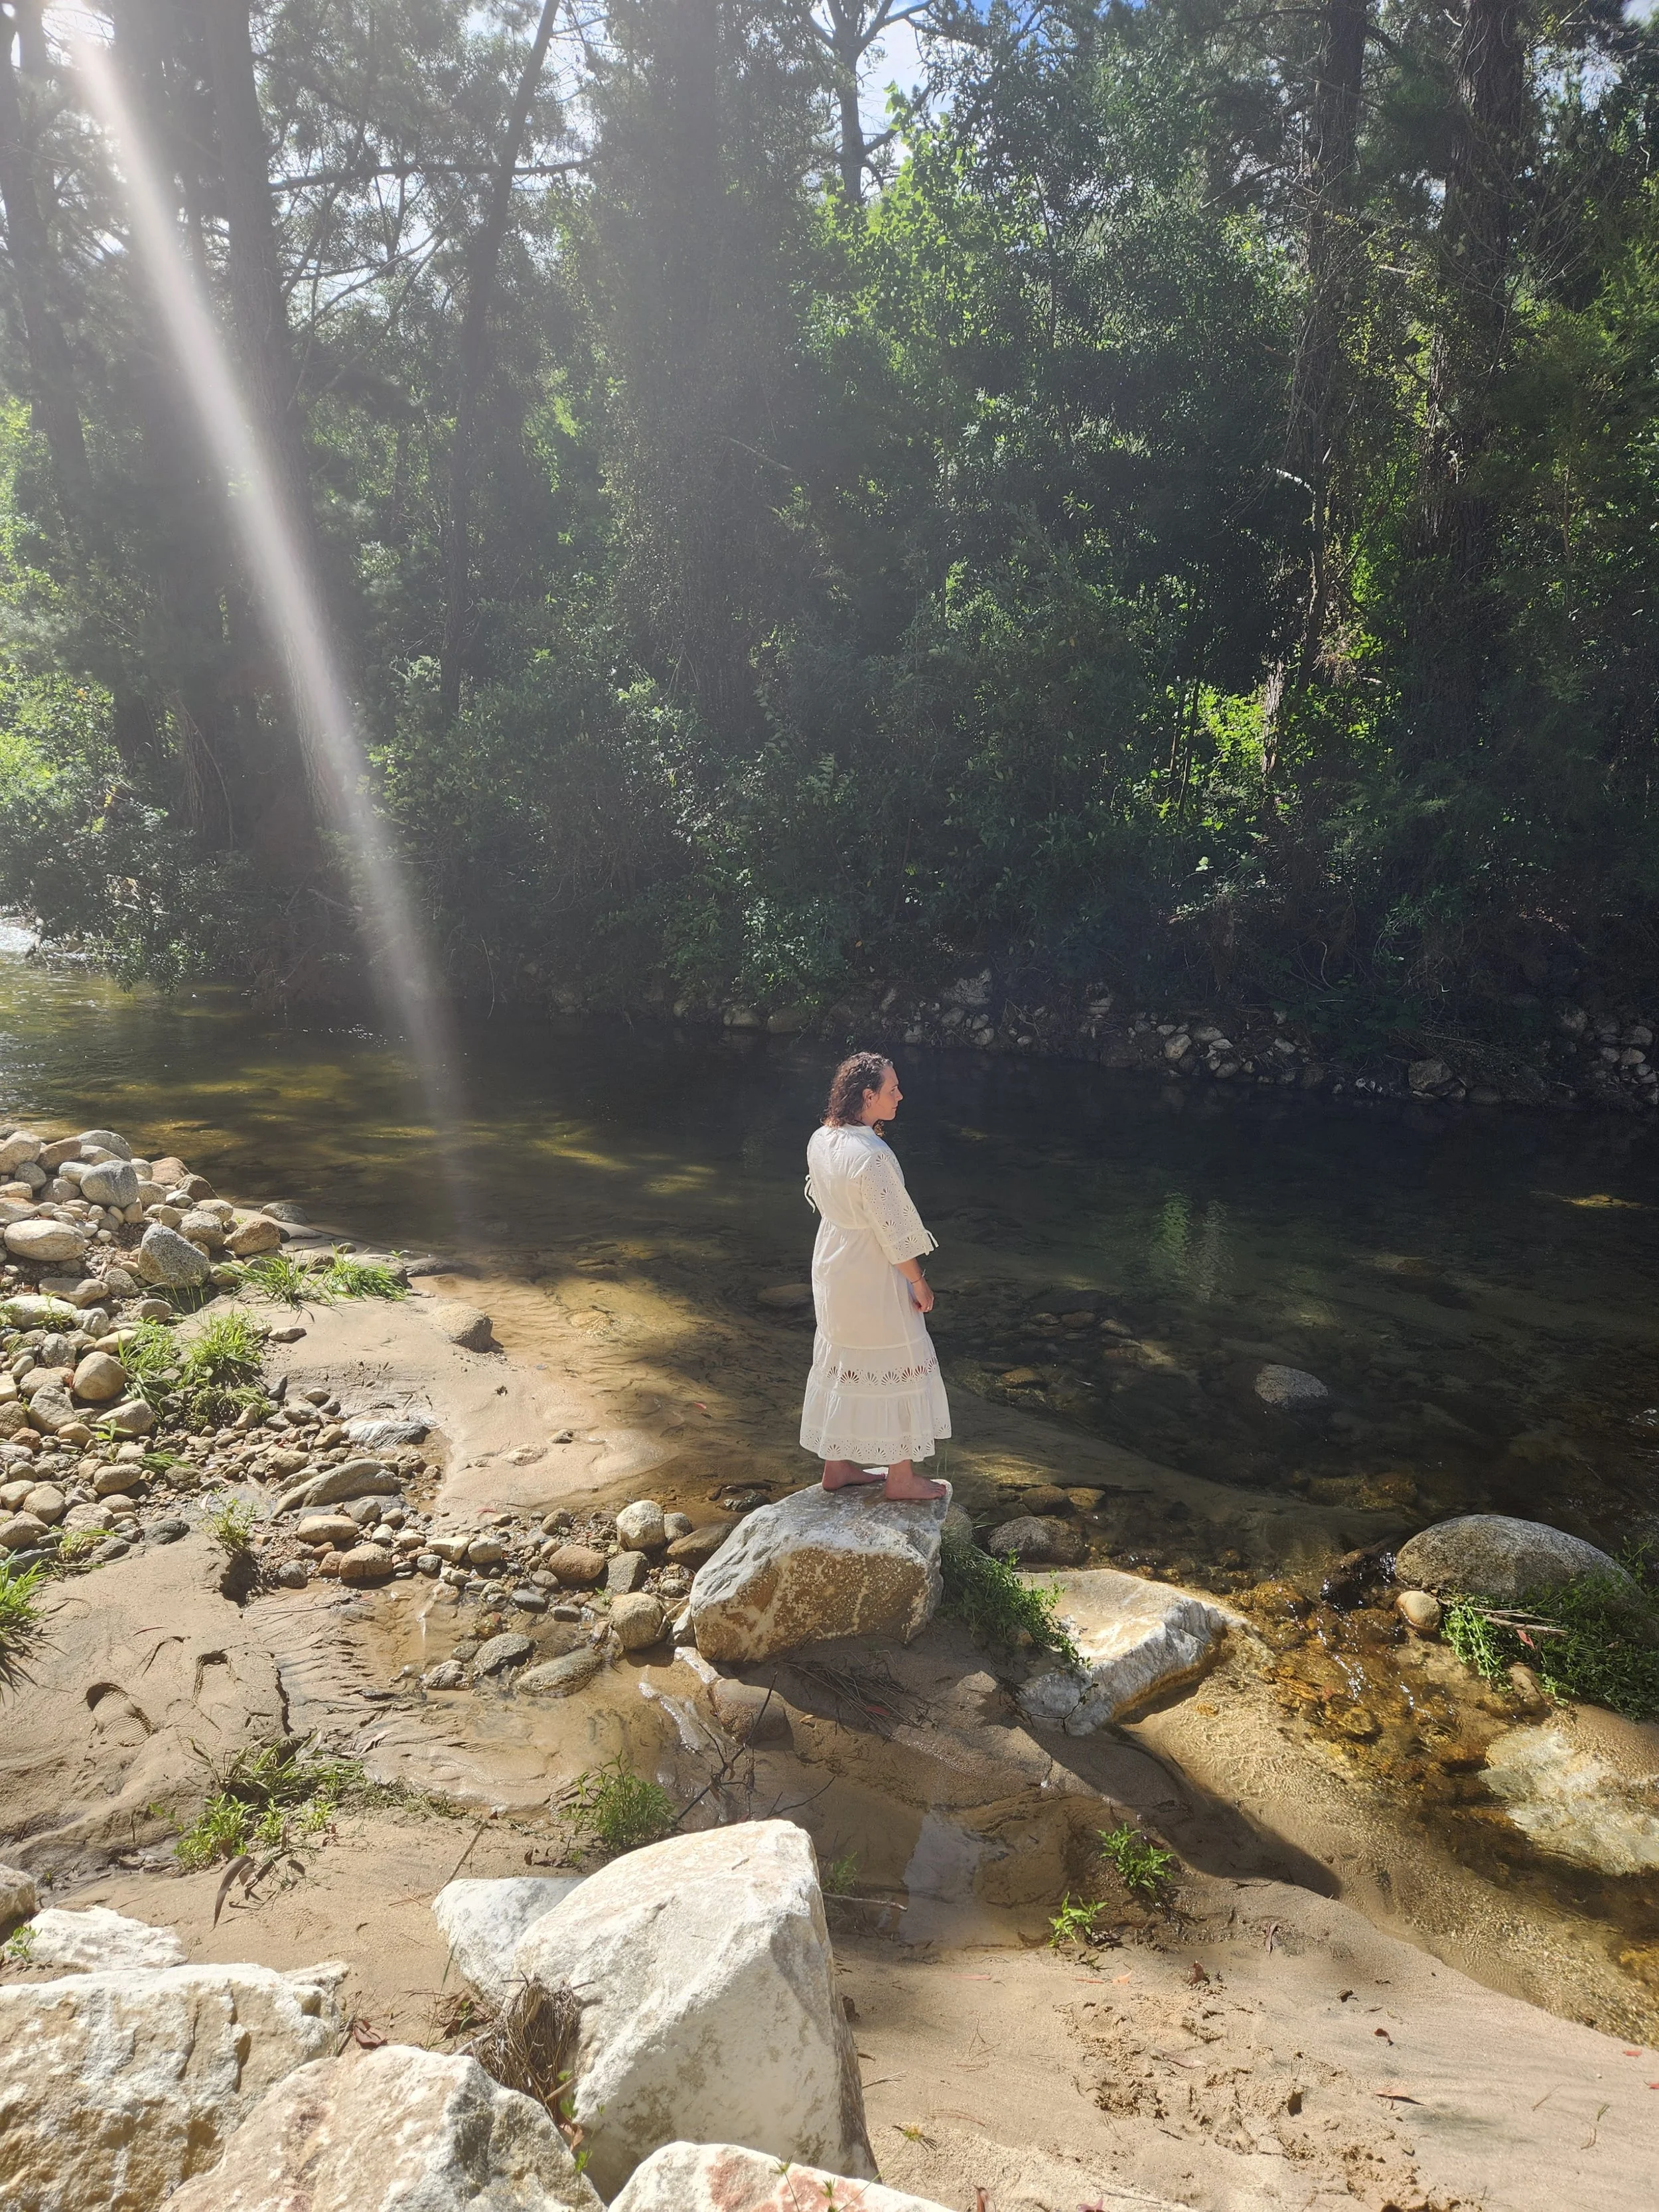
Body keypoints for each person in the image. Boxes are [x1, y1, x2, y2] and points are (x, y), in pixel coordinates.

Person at [799, 1052, 949, 1503]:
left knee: (845, 1358)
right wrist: (919, 1282)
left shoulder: (822, 1137)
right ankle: (900, 1478)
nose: (900, 1095)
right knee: (896, 1357)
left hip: (832, 1262)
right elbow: (896, 1232)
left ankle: (838, 1464)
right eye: (892, 1089)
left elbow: (825, 1198)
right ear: (867, 1096)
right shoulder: (873, 1156)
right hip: (869, 1270)